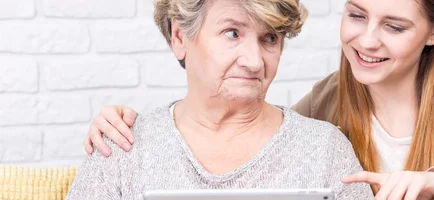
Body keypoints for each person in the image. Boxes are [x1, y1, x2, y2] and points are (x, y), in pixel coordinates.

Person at [83, 0, 434, 199]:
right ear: (179, 38)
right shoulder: (329, 106)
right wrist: (130, 123)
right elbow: (260, 141)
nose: (367, 40)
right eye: (357, 15)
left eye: (395, 26)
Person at [66, 0, 374, 199]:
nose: (254, 61)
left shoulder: (323, 150)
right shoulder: (124, 148)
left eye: (270, 38)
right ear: (179, 37)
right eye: (232, 33)